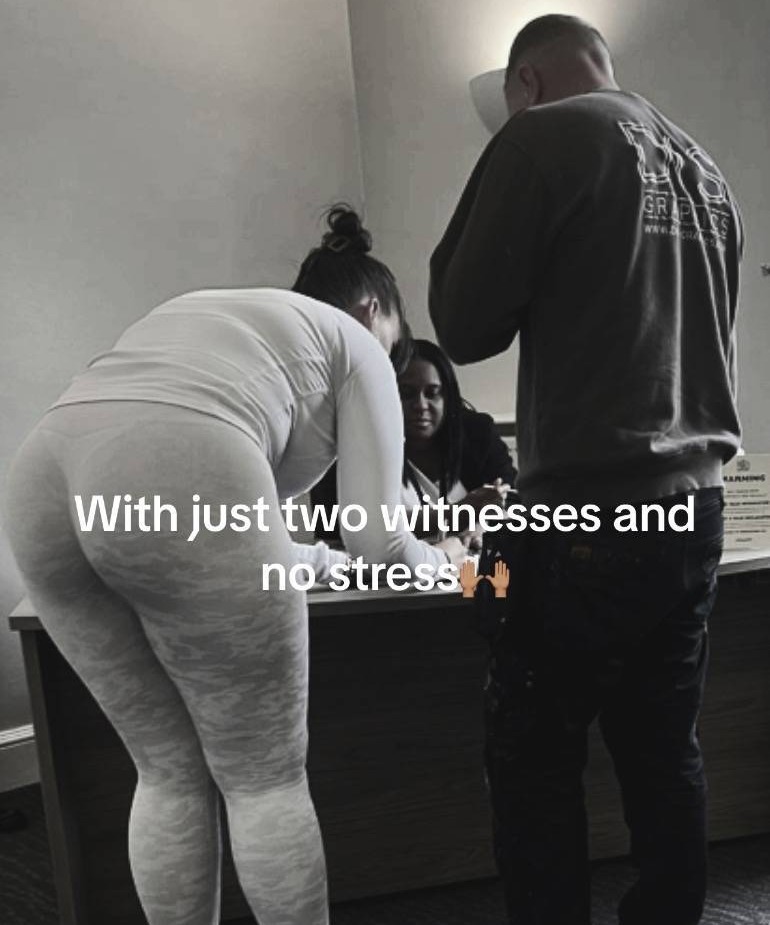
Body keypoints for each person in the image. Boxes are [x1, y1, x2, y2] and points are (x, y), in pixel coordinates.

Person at [2, 206, 468, 925]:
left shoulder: (224, 320)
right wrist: (450, 564)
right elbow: (379, 540)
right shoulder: (359, 344)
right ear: (376, 309)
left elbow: (243, 535)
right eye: (398, 345)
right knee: (263, 781)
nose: (399, 363)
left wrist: (326, 564)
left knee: (167, 771)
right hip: (173, 460)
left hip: (42, 478)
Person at [429, 15, 742, 925]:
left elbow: (463, 321)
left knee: (532, 756)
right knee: (662, 747)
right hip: (697, 506)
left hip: (591, 505)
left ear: (523, 81)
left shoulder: (541, 135)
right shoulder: (705, 169)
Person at [310, 338, 517, 543]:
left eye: (432, 394)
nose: (420, 405)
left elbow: (511, 498)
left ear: (448, 398)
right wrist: (456, 515)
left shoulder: (478, 433)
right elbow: (341, 531)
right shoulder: (348, 447)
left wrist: (484, 524)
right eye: (406, 394)